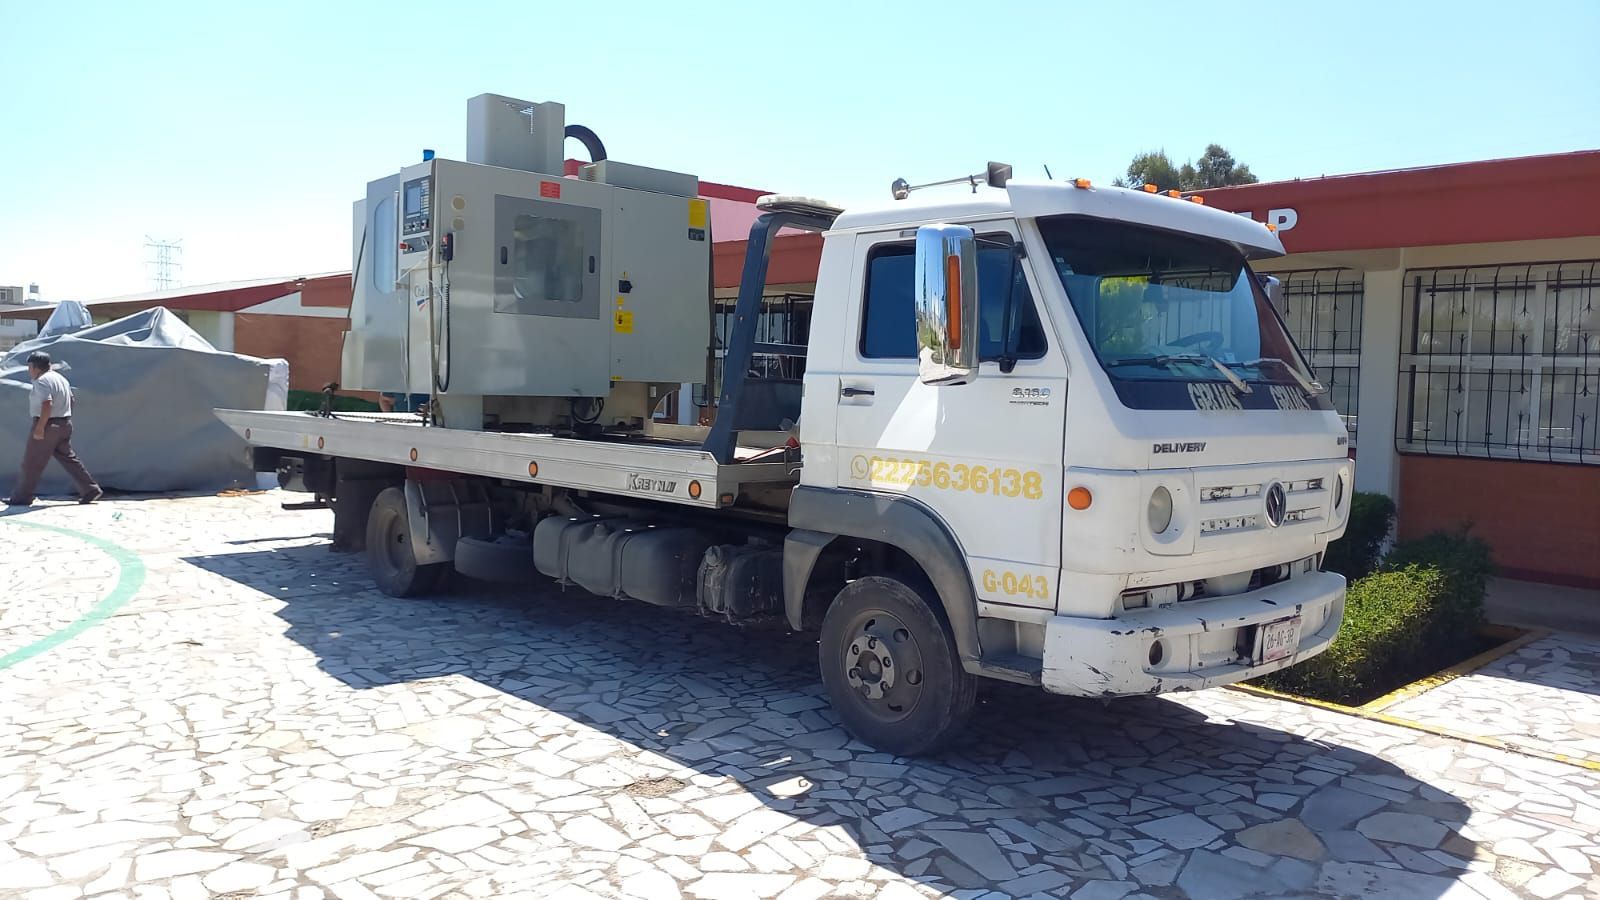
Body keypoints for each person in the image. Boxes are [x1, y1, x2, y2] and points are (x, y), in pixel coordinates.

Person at [7, 352, 101, 506]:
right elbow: (72, 399)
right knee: (69, 459)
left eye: (29, 367)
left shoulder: (42, 381)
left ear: (36, 367)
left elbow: (47, 403)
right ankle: (90, 489)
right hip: (64, 424)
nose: (29, 370)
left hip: (47, 425)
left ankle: (21, 497)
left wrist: (40, 427)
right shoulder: (60, 378)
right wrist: (65, 418)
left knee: (32, 462)